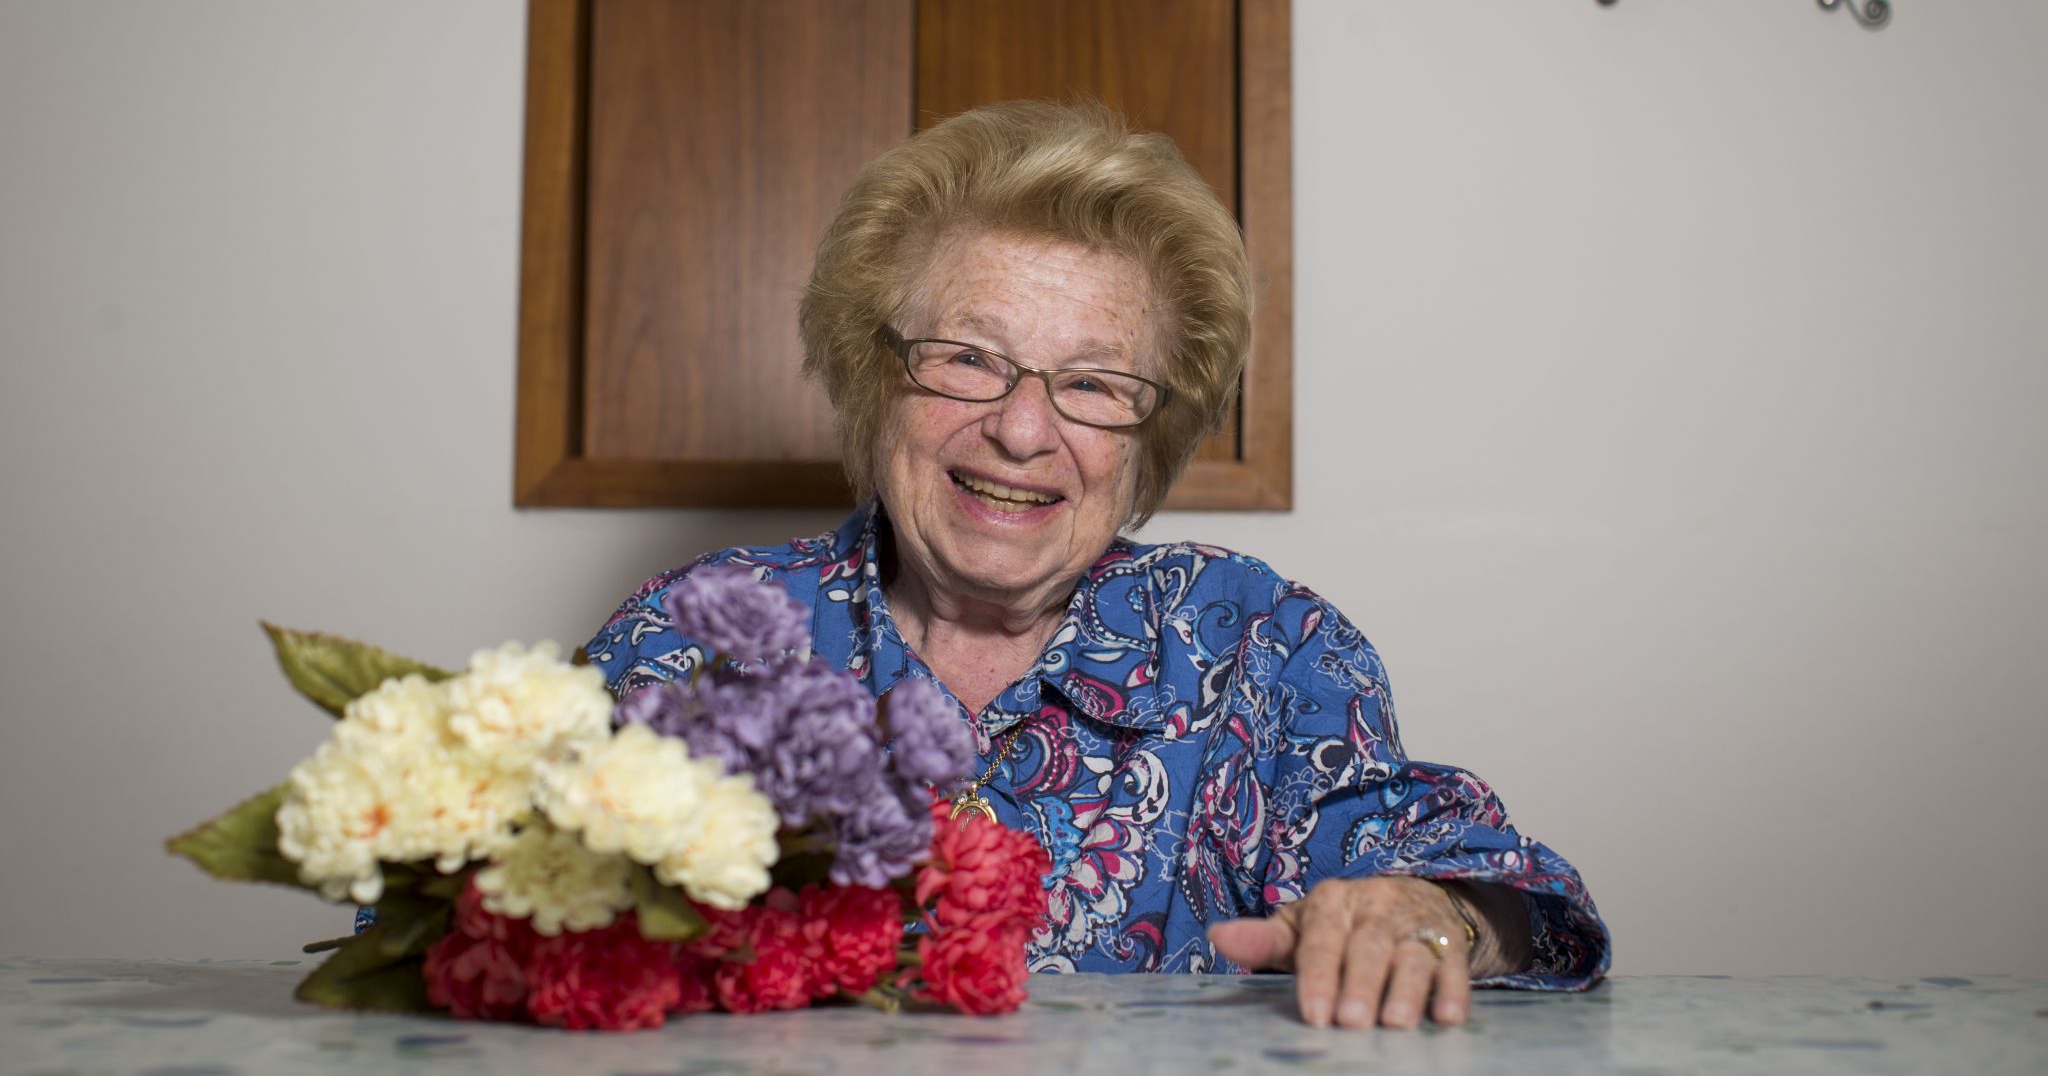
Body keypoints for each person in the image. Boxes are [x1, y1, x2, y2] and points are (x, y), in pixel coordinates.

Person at [586, 101, 1609, 1029]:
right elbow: (497, 909)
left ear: (1147, 440)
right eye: (967, 358)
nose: (1022, 430)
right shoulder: (700, 630)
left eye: (1093, 383)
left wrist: (1429, 915)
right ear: (873, 376)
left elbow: (1485, 889)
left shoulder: (1259, 643)